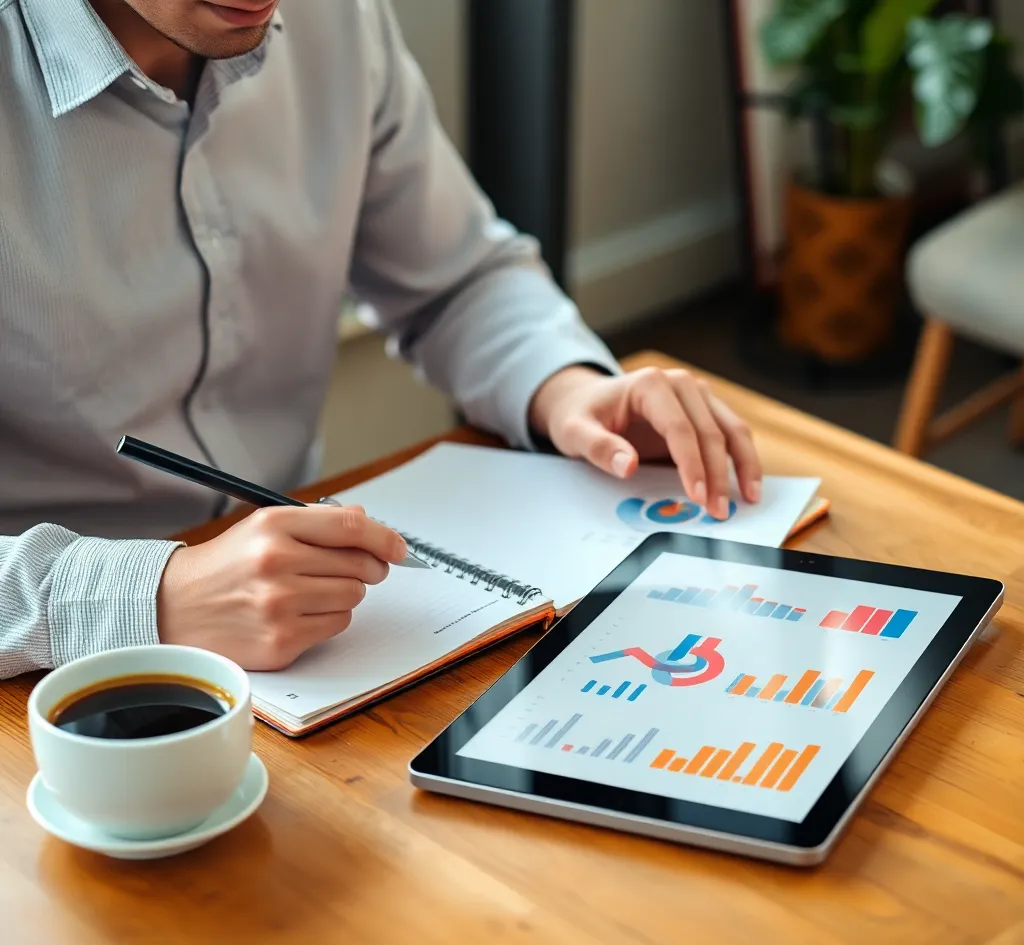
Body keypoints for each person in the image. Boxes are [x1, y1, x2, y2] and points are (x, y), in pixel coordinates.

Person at [0, 0, 762, 679]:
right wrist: (148, 596)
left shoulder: (338, 18)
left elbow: (457, 276)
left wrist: (566, 388)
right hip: (44, 683)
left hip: (322, 635)